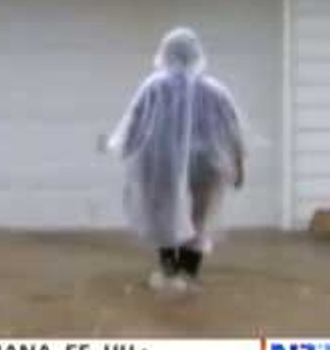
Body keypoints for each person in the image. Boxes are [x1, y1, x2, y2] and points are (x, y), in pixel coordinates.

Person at [103, 27, 247, 294]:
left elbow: (134, 122)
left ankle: (169, 272)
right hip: (206, 165)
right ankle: (189, 274)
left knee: (164, 215)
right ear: (197, 54)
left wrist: (126, 152)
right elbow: (233, 129)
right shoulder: (215, 90)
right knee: (199, 218)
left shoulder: (153, 86)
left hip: (162, 165)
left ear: (165, 53)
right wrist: (238, 165)